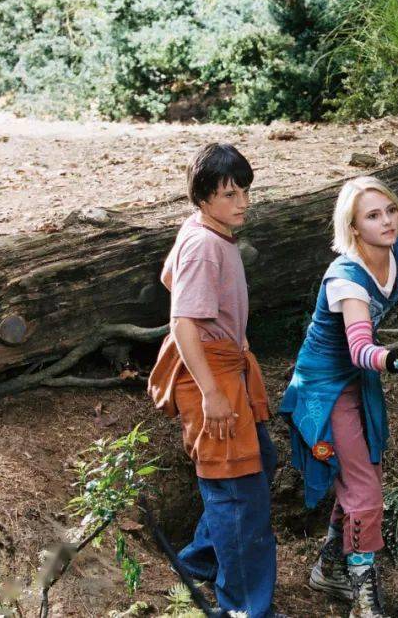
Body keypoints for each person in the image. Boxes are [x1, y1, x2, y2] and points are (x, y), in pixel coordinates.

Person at [280, 176, 398, 618]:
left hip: (360, 377)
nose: (387, 221)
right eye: (373, 216)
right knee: (366, 493)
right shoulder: (345, 276)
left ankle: (330, 566)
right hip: (324, 385)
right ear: (353, 227)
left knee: (363, 476)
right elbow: (359, 347)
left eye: (390, 210)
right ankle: (364, 600)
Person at [148, 143, 281, 618]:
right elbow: (183, 321)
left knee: (259, 460)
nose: (242, 202)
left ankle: (200, 560)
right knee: (239, 494)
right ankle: (246, 608)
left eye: (245, 190)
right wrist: (211, 394)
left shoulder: (201, 229)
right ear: (203, 198)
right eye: (229, 194)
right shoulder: (205, 245)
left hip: (225, 363)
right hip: (212, 371)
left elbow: (169, 276)